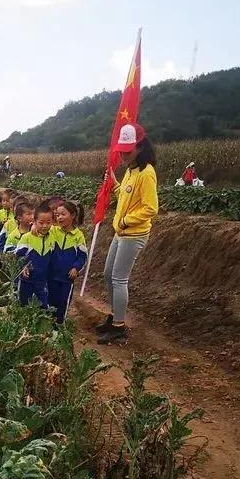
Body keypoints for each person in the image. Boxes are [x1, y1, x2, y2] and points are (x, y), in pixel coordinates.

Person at [96, 123, 159, 343]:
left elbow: (151, 207)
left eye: (127, 150)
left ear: (140, 147)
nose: (123, 155)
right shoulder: (131, 171)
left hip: (133, 234)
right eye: (121, 150)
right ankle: (114, 316)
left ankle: (119, 327)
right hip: (120, 232)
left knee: (119, 279)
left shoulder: (146, 173)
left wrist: (125, 221)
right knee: (107, 275)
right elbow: (126, 195)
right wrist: (115, 185)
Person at [48, 200, 87, 324]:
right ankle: (47, 329)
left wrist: (76, 268)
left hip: (66, 279)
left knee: (63, 304)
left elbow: (82, 256)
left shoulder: (78, 236)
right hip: (50, 276)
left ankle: (59, 329)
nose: (59, 217)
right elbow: (40, 229)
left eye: (63, 214)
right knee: (48, 302)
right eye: (57, 215)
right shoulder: (53, 231)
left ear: (73, 215)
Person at [15, 202, 55, 308]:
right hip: (26, 281)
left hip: (42, 282)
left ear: (52, 223)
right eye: (41, 223)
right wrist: (23, 266)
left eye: (48, 222)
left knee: (43, 307)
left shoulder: (53, 238)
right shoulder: (27, 237)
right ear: (34, 221)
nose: (45, 226)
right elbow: (18, 255)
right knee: (23, 306)